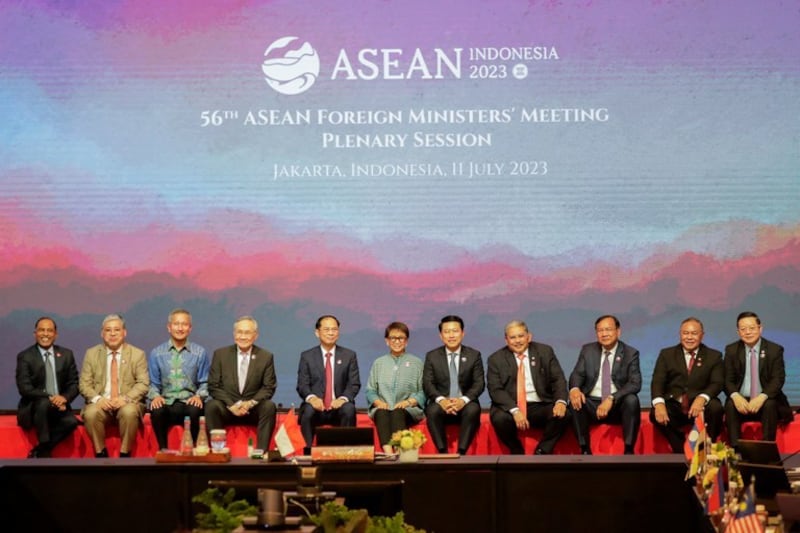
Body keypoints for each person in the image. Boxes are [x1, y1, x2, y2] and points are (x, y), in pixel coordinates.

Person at [487, 320, 569, 455]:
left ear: (528, 337)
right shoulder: (496, 359)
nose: (517, 341)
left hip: (540, 404)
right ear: (506, 340)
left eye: (521, 336)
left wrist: (560, 401)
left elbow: (558, 379)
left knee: (564, 415)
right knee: (499, 419)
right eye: (512, 337)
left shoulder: (544, 352)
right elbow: (495, 389)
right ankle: (516, 450)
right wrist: (515, 410)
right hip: (510, 406)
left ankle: (542, 450)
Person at [568, 315, 641, 455]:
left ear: (618, 331)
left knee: (632, 400)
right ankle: (584, 449)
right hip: (592, 403)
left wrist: (612, 398)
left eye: (608, 329)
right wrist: (575, 389)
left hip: (616, 404)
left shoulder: (630, 353)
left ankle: (629, 449)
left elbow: (635, 383)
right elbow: (577, 374)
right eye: (600, 330)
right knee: (575, 402)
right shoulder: (587, 350)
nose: (604, 334)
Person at [79, 314, 149, 458]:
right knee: (91, 413)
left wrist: (126, 398)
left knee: (129, 412)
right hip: (101, 403)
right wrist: (98, 399)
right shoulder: (92, 354)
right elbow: (84, 384)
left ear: (124, 332)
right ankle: (101, 453)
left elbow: (143, 383)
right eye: (108, 330)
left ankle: (125, 454)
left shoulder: (137, 354)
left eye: (116, 330)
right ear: (102, 333)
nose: (112, 334)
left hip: (126, 402)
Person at [650, 317, 724, 452]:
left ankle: (708, 446)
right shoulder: (667, 354)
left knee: (716, 408)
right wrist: (659, 403)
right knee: (654, 412)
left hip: (700, 406)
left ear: (702, 335)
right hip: (676, 404)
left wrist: (702, 398)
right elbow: (658, 381)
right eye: (685, 333)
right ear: (680, 334)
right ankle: (680, 448)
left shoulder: (714, 356)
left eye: (694, 333)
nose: (689, 337)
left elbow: (717, 382)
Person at [206, 316, 277, 451]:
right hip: (228, 407)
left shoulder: (265, 356)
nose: (243, 337)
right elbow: (213, 386)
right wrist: (231, 405)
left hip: (251, 409)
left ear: (255, 335)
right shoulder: (220, 354)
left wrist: (250, 403)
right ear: (234, 334)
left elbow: (269, 387)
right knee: (211, 406)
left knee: (269, 406)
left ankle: (261, 452)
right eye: (239, 332)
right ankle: (217, 452)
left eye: (247, 333)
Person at [723, 311, 793, 448]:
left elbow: (778, 379)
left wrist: (762, 397)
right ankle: (735, 453)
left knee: (770, 404)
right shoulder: (731, 350)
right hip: (741, 402)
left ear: (760, 329)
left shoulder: (774, 350)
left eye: (752, 328)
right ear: (738, 332)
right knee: (731, 405)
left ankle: (767, 451)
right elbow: (727, 379)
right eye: (743, 329)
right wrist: (736, 396)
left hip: (765, 401)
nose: (748, 332)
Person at [15, 317, 80, 458]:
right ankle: (45, 454)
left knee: (71, 421)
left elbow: (74, 383)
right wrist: (51, 398)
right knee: (43, 403)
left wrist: (64, 398)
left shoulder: (66, 355)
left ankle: (42, 448)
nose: (45, 334)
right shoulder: (25, 356)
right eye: (41, 330)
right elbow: (25, 388)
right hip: (34, 408)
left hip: (59, 406)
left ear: (55, 334)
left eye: (49, 330)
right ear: (35, 334)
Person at [147, 308, 210, 451]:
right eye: (176, 324)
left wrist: (199, 396)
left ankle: (194, 450)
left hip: (188, 401)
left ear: (190, 328)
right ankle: (163, 450)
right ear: (169, 327)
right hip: (166, 402)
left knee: (195, 410)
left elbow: (204, 382)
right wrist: (155, 396)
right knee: (157, 410)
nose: (180, 328)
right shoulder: (157, 353)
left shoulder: (199, 352)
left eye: (184, 324)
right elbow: (153, 383)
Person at [296, 315, 361, 453]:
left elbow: (354, 384)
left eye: (334, 329)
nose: (331, 333)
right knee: (307, 411)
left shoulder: (349, 355)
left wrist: (342, 399)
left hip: (338, 406)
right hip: (316, 406)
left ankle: (346, 451)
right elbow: (302, 384)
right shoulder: (307, 356)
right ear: (317, 332)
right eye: (326, 329)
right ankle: (307, 452)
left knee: (349, 409)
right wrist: (312, 398)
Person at [422, 315, 484, 455]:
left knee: (473, 410)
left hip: (465, 402)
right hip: (441, 402)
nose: (451, 335)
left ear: (462, 333)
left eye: (455, 331)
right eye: (447, 331)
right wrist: (442, 400)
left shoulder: (474, 355)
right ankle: (442, 451)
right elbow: (428, 383)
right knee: (432, 411)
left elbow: (479, 383)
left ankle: (462, 452)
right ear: (441, 335)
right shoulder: (432, 356)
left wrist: (463, 400)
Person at [365, 322, 425, 454]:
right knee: (381, 413)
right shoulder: (379, 363)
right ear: (387, 341)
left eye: (401, 338)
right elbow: (370, 390)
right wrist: (378, 402)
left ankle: (400, 451)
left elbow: (423, 391)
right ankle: (388, 453)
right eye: (393, 338)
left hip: (408, 409)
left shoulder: (417, 362)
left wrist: (408, 402)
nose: (397, 341)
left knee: (398, 412)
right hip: (383, 407)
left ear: (406, 341)